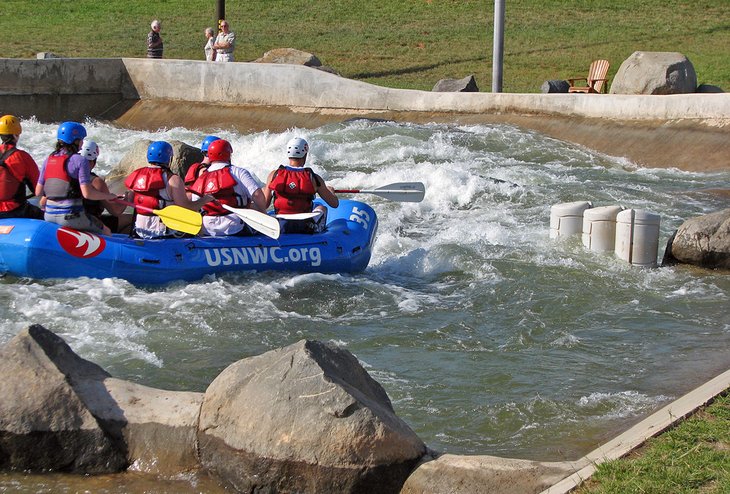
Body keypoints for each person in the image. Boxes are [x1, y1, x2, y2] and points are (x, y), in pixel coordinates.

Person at [36, 121, 118, 235]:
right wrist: (109, 196)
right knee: (107, 231)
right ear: (75, 141)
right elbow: (87, 194)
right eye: (81, 140)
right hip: (72, 217)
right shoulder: (80, 160)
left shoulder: (48, 159)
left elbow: (38, 192)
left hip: (48, 215)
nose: (82, 143)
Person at [125, 141, 212, 238]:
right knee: (197, 230)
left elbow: (130, 199)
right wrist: (205, 199)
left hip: (139, 230)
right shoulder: (172, 179)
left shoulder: (136, 175)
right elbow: (187, 207)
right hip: (163, 232)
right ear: (169, 158)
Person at [188, 139, 266, 236]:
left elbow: (194, 205)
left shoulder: (202, 177)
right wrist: (264, 213)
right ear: (228, 154)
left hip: (208, 228)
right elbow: (257, 195)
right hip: (235, 226)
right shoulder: (239, 172)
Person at [263, 137, 338, 234]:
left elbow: (264, 204)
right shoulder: (314, 178)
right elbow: (334, 204)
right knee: (321, 207)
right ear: (305, 154)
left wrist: (263, 191)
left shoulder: (274, 175)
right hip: (304, 226)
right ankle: (317, 233)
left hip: (281, 225)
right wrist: (331, 192)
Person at [78, 141, 133, 234]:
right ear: (93, 162)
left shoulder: (66, 175)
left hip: (70, 219)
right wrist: (128, 199)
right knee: (130, 219)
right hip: (91, 224)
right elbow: (116, 211)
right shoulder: (96, 182)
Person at [0, 115, 43, 220]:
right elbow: (37, 189)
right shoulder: (22, 157)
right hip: (14, 210)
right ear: (16, 135)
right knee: (42, 215)